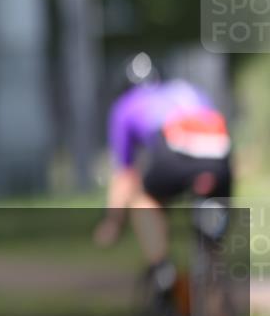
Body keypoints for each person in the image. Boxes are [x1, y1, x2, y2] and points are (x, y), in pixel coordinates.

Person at [94, 52, 232, 295]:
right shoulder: (188, 90)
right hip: (218, 155)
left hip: (171, 150)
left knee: (143, 200)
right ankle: (214, 290)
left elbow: (124, 175)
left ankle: (162, 268)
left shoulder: (124, 105)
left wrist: (113, 222)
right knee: (210, 247)